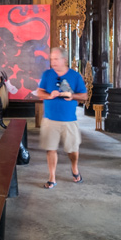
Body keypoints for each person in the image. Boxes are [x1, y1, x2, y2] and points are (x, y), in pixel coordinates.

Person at [36, 48, 89, 189]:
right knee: (51, 149)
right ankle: (52, 177)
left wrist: (72, 96)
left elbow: (84, 96)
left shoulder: (75, 76)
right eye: (51, 59)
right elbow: (39, 92)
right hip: (50, 119)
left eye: (56, 59)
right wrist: (50, 95)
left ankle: (74, 168)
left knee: (72, 150)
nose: (53, 62)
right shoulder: (47, 74)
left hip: (69, 120)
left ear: (64, 60)